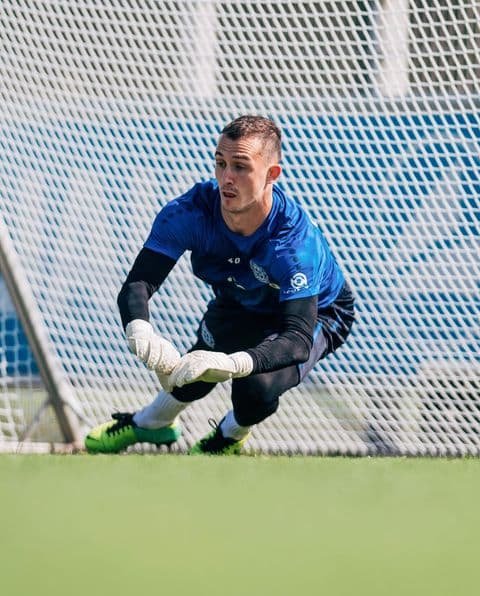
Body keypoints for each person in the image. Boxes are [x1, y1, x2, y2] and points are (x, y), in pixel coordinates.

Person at [85, 114, 355, 455]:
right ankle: (151, 424)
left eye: (241, 167)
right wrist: (141, 332)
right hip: (240, 299)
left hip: (319, 313)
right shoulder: (190, 212)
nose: (227, 178)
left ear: (272, 174)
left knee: (255, 389)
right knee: (191, 371)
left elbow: (297, 340)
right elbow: (138, 284)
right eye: (220, 163)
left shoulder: (294, 243)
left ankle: (229, 435)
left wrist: (232, 364)